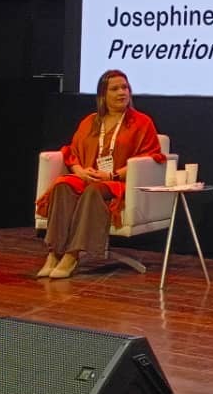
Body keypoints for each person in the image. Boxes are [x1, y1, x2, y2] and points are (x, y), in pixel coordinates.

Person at [34, 69, 163, 279]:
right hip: (88, 177)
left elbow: (150, 157)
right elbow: (72, 153)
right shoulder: (90, 121)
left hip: (117, 182)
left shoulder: (141, 122)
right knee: (63, 185)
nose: (122, 92)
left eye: (125, 87)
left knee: (94, 190)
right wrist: (80, 171)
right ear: (103, 95)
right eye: (115, 89)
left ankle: (72, 254)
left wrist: (112, 176)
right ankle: (54, 252)